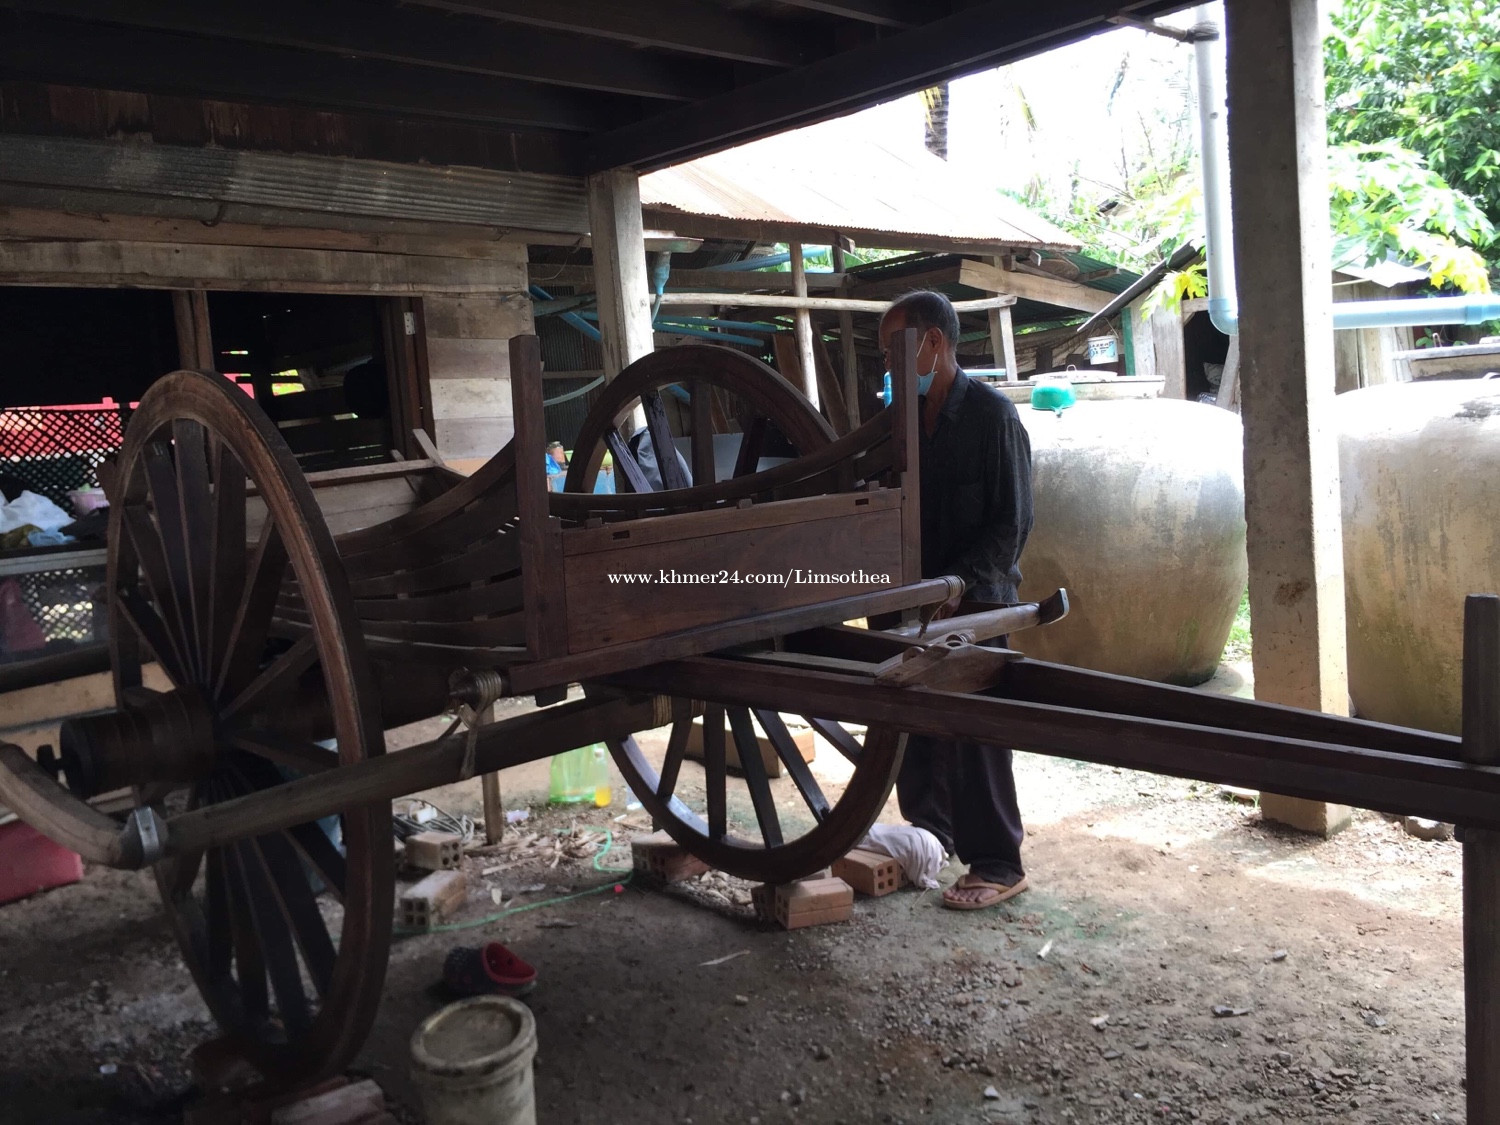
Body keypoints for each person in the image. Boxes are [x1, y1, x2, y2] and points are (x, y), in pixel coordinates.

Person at [877, 290, 1035, 910]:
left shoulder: (994, 418)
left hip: (977, 602)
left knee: (976, 736)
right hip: (916, 601)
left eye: (895, 348)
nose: (887, 364)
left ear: (933, 343)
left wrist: (959, 586)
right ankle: (931, 834)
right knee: (915, 725)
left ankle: (998, 861)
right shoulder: (906, 422)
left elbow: (1012, 525)